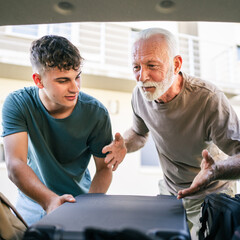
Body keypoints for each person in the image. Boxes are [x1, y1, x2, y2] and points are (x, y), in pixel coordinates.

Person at [102, 28, 240, 239]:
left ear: (176, 65)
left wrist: (216, 170)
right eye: (136, 67)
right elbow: (139, 133)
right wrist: (126, 145)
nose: (142, 76)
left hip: (211, 194)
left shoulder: (209, 100)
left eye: (152, 65)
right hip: (171, 192)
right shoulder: (139, 94)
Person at [1, 35, 113, 226]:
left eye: (77, 77)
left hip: (78, 204)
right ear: (38, 80)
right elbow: (15, 164)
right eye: (63, 81)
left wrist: (89, 207)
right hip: (32, 203)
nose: (75, 88)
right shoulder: (17, 104)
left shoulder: (97, 113)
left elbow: (104, 168)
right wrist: (49, 200)